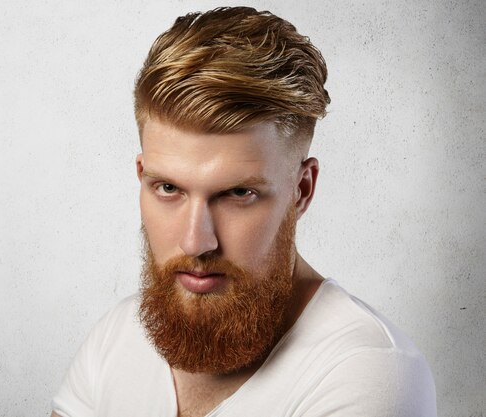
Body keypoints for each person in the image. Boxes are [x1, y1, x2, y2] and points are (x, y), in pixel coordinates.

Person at [51, 6, 436, 417]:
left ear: (301, 190)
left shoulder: (366, 371)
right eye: (168, 188)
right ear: (142, 176)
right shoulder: (116, 337)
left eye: (238, 193)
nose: (195, 241)